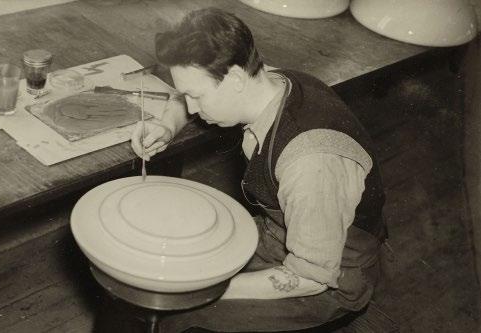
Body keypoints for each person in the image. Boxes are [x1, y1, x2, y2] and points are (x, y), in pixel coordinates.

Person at [131, 7, 387, 333]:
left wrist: (203, 290)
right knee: (173, 257)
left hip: (333, 278)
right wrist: (166, 124)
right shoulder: (269, 80)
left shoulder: (310, 164)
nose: (191, 107)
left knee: (176, 316)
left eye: (196, 96)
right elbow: (189, 96)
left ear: (235, 79)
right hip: (277, 236)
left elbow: (310, 277)